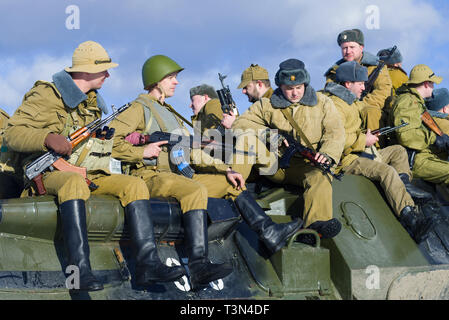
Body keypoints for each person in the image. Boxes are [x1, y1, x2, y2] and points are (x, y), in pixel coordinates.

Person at [3, 41, 186, 291]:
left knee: (134, 185)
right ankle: (79, 271)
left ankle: (148, 265)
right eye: (104, 70)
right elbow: (12, 133)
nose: (109, 75)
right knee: (73, 182)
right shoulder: (47, 95)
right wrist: (45, 138)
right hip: (46, 172)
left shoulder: (94, 104)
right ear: (87, 70)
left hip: (87, 171)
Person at [109, 54, 302, 289]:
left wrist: (226, 169)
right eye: (171, 77)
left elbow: (190, 151)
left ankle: (268, 231)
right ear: (156, 80)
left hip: (177, 172)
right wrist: (141, 152)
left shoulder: (168, 113)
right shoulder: (138, 109)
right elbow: (111, 142)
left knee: (231, 184)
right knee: (194, 190)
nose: (176, 82)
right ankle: (199, 264)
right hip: (150, 175)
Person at [232, 58, 345, 243]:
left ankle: (314, 227)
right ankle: (234, 192)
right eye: (288, 88)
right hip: (275, 165)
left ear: (305, 83)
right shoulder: (266, 104)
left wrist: (327, 155)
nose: (294, 93)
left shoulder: (323, 103)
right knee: (247, 140)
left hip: (306, 167)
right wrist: (268, 135)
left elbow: (335, 133)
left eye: (298, 87)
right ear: (280, 86)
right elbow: (239, 124)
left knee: (321, 176)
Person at [323, 61, 433, 242]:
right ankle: (411, 220)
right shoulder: (335, 107)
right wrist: (362, 140)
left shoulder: (349, 102)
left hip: (358, 151)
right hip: (345, 160)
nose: (363, 87)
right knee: (387, 171)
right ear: (347, 84)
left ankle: (403, 187)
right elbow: (334, 140)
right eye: (360, 83)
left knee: (398, 151)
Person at [391, 64, 449, 185]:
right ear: (426, 83)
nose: (433, 87)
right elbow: (406, 135)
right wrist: (434, 139)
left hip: (422, 155)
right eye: (433, 83)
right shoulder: (408, 101)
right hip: (415, 160)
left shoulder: (415, 102)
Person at [325, 28, 392, 132]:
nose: (348, 51)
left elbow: (383, 92)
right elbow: (329, 93)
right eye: (344, 48)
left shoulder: (376, 66)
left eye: (352, 47)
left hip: (370, 109)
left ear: (361, 47)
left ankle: (376, 147)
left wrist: (359, 106)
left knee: (370, 112)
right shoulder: (334, 71)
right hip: (344, 109)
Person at [221, 64, 273, 130]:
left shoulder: (274, 104)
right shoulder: (259, 106)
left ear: (259, 84)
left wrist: (235, 125)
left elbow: (275, 137)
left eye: (246, 87)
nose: (243, 91)